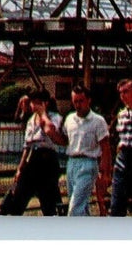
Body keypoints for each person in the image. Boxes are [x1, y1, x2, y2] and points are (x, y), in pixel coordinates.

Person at [0, 88, 63, 216]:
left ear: (46, 103)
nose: (35, 105)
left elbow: (51, 130)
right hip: (32, 159)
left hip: (47, 160)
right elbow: (27, 146)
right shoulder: (30, 121)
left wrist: (43, 114)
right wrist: (20, 168)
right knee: (18, 198)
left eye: (38, 102)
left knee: (48, 201)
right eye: (33, 102)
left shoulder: (55, 117)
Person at [53, 84, 112, 216]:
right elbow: (64, 140)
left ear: (88, 100)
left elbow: (105, 148)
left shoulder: (98, 121)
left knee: (75, 208)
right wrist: (51, 133)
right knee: (81, 204)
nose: (78, 105)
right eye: (75, 101)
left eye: (81, 101)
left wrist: (105, 172)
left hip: (88, 163)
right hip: (72, 163)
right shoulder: (69, 119)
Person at [109, 78, 132, 216]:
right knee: (116, 204)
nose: (123, 96)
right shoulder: (122, 114)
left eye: (126, 91)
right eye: (120, 93)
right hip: (122, 160)